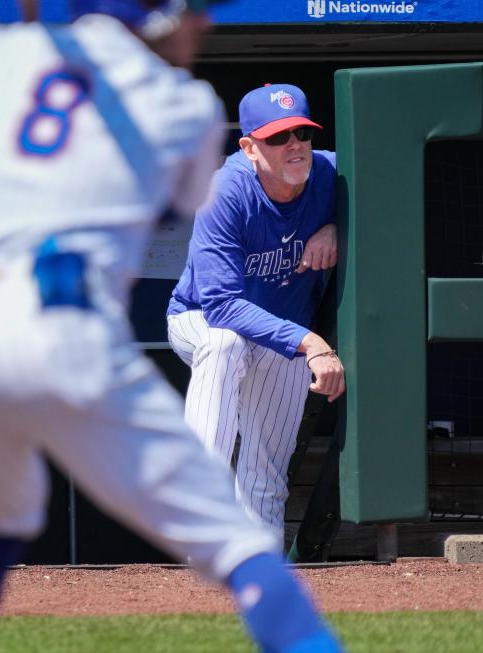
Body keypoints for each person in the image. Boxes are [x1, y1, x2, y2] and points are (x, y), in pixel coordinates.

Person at [0, 1, 343, 652]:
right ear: (147, 19)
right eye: (184, 12)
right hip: (60, 320)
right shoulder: (183, 107)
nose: (199, 25)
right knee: (232, 536)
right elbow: (162, 185)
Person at [166, 82, 345, 535]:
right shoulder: (225, 192)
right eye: (278, 137)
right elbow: (223, 306)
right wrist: (309, 342)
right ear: (248, 147)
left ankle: (262, 581)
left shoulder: (330, 173)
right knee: (224, 344)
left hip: (281, 333)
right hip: (201, 318)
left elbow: (392, 192)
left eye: (302, 133)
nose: (295, 146)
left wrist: (339, 227)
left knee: (266, 477)